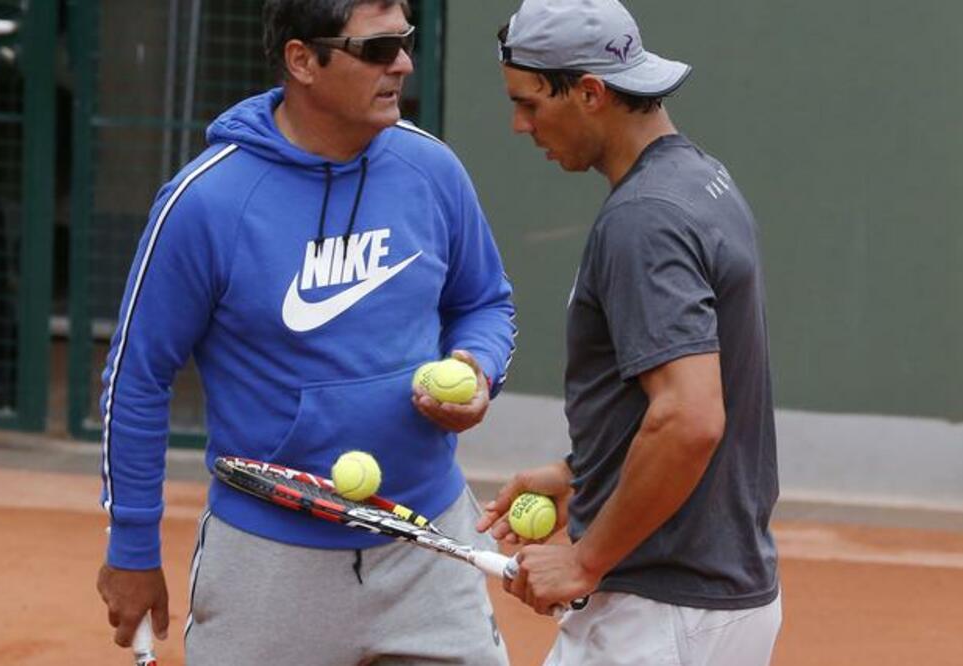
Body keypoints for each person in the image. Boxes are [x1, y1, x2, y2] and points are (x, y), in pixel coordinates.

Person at [95, 1, 516, 664]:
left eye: (405, 42)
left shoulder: (432, 171)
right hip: (269, 567)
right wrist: (132, 548)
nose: (402, 63)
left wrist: (479, 367)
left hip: (428, 548)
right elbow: (137, 378)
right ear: (302, 60)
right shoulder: (207, 201)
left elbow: (486, 302)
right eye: (377, 49)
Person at [477, 1, 782, 664]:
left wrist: (586, 559)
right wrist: (580, 474)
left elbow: (689, 417)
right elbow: (684, 394)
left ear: (589, 92)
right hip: (709, 603)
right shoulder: (701, 181)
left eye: (530, 103)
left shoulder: (642, 219)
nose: (519, 124)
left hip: (659, 613)